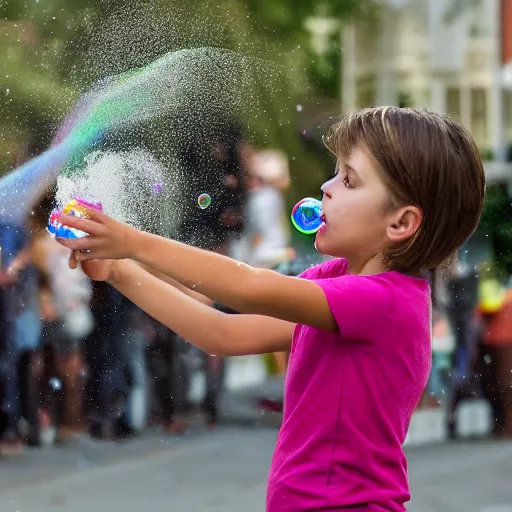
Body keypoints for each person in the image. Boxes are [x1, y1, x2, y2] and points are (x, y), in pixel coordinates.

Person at [56, 107, 485, 512]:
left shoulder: (387, 302)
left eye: (349, 181)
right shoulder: (336, 281)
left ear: (400, 223)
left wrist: (132, 241)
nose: (326, 187)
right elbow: (221, 333)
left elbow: (248, 286)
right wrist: (119, 270)